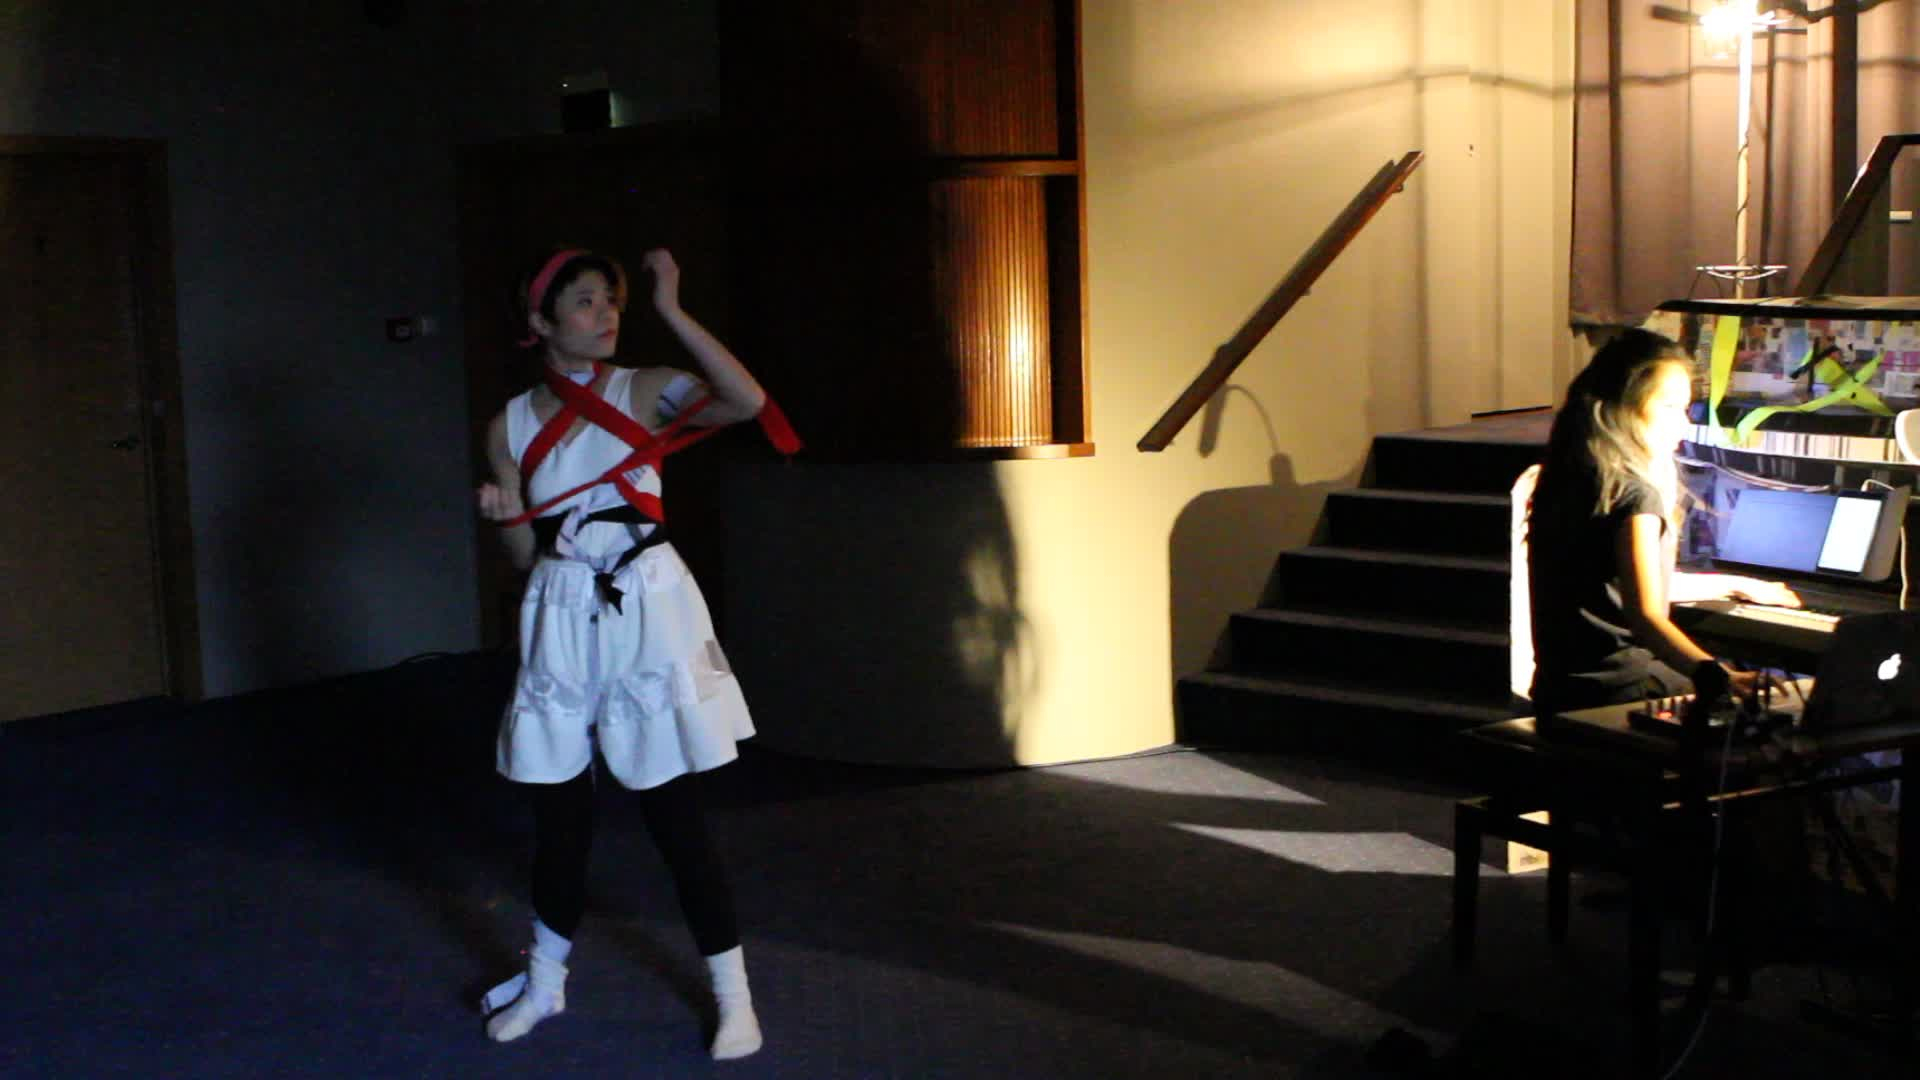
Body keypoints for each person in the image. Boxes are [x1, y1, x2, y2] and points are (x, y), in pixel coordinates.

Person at [475, 246, 794, 1060]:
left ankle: (733, 996)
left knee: (673, 814)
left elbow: (745, 401)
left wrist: (673, 308)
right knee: (559, 818)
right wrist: (506, 519)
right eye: (586, 301)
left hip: (646, 607)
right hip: (560, 606)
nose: (607, 313)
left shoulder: (646, 389)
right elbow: (524, 557)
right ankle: (545, 983)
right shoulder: (508, 424)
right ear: (541, 322)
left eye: (611, 299)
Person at [1526, 327, 1800, 715]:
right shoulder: (1636, 494)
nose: (1683, 424)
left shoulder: (1571, 478)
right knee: (1778, 708)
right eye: (1670, 407)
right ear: (1625, 407)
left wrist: (1738, 584)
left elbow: (1623, 584)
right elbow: (1647, 617)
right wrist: (1719, 676)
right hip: (1622, 687)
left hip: (1559, 688)